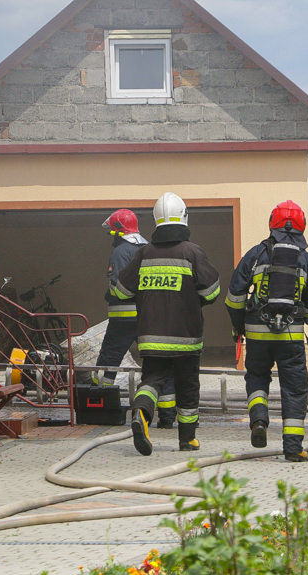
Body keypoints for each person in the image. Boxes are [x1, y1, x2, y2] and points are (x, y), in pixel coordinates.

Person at [115, 193, 221, 455]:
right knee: (187, 388)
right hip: (186, 338)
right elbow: (212, 293)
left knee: (152, 380)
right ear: (184, 217)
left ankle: (141, 412)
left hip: (151, 336)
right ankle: (187, 440)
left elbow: (120, 292)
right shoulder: (192, 252)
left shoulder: (143, 254)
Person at [225, 200, 308, 463]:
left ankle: (258, 420)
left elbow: (234, 297)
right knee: (294, 388)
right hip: (290, 336)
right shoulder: (306, 259)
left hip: (257, 334)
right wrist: (302, 315)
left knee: (257, 376)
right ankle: (293, 447)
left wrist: (239, 326)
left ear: (272, 223)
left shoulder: (256, 254)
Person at [93, 209, 177, 429]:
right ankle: (167, 416)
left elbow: (118, 287)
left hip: (123, 319)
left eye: (112, 231)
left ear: (118, 231)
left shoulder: (121, 252)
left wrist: (108, 295)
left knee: (108, 362)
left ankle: (100, 407)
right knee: (159, 364)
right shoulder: (148, 249)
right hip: (149, 318)